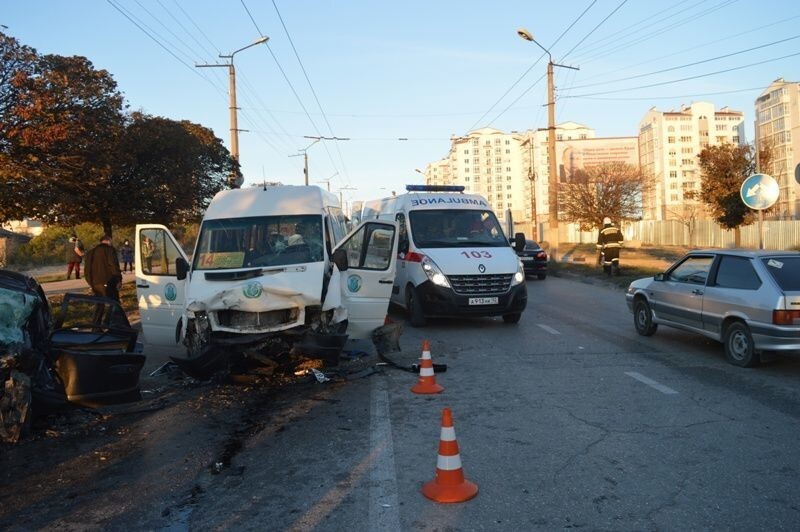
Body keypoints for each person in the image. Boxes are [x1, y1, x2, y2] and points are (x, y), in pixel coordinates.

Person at [84, 235, 123, 324]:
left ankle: (96, 326)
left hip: (94, 282)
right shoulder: (110, 250)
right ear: (108, 241)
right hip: (108, 281)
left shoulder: (90, 252)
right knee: (114, 302)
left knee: (99, 304)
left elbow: (87, 269)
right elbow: (113, 265)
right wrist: (118, 279)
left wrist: (90, 282)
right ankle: (109, 323)